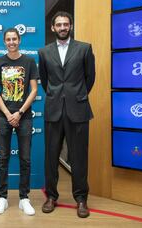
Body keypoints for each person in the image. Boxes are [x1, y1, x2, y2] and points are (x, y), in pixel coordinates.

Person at [38, 11, 95, 218]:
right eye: (59, 24)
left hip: (78, 110)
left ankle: (81, 199)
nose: (63, 27)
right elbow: (45, 81)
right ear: (53, 28)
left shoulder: (84, 48)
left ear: (70, 26)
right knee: (51, 157)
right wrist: (58, 96)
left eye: (66, 24)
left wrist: (75, 95)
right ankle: (51, 196)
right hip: (53, 110)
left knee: (79, 157)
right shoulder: (44, 52)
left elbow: (90, 78)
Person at [0, 28, 38, 216]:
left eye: (14, 39)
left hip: (24, 116)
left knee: (25, 158)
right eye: (8, 39)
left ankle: (24, 198)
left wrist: (19, 112)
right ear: (4, 42)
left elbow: (34, 90)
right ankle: (2, 197)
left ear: (19, 40)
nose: (11, 42)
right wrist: (8, 114)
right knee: (3, 158)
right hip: (3, 116)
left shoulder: (29, 61)